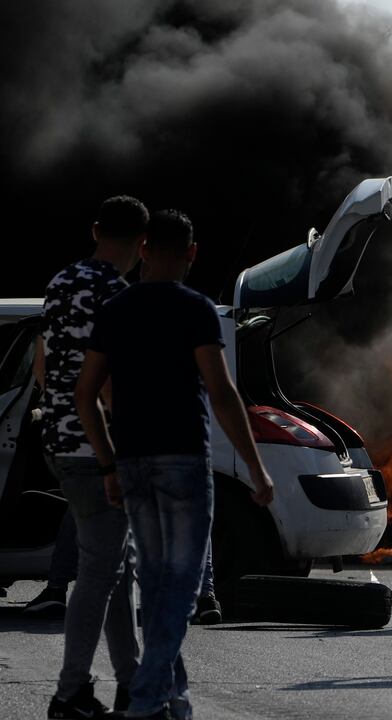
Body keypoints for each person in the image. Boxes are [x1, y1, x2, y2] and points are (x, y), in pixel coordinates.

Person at [76, 210, 275, 720]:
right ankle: (145, 701)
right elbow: (222, 393)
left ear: (143, 249)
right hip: (184, 462)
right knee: (180, 589)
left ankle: (175, 697)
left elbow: (86, 394)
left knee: (160, 584)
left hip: (135, 462)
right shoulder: (196, 310)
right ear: (191, 253)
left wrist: (108, 464)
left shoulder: (115, 310)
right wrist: (256, 468)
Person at [41, 195, 145, 719]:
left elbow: (45, 363)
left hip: (61, 442)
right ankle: (70, 693)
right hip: (97, 447)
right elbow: (109, 388)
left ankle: (132, 683)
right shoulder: (117, 295)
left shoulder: (60, 284)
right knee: (100, 572)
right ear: (143, 245)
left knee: (115, 567)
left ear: (95, 229)